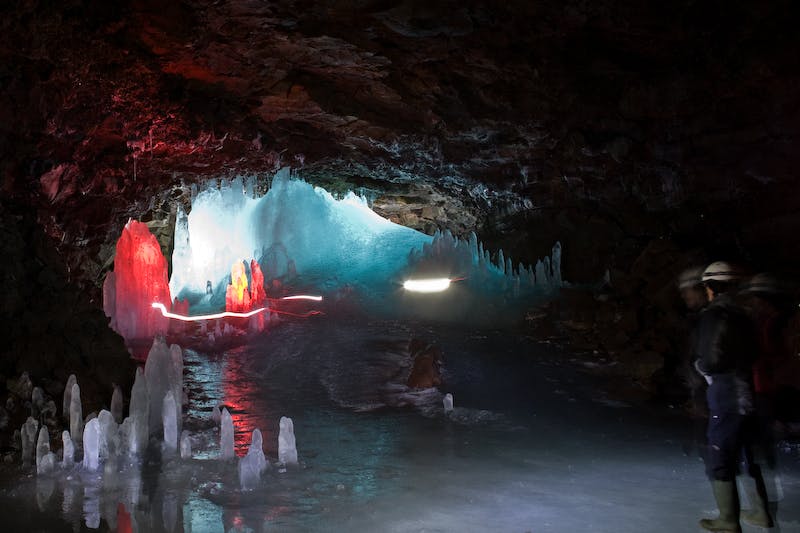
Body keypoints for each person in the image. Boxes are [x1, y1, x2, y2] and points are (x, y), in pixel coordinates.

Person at [693, 262, 773, 532]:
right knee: (747, 452)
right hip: (746, 389)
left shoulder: (713, 315)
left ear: (710, 288)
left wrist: (702, 368)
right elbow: (754, 353)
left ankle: (728, 520)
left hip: (725, 392)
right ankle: (761, 512)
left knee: (721, 453)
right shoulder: (744, 315)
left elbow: (711, 358)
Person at [677, 267, 710, 456]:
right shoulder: (698, 319)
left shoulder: (710, 318)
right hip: (700, 389)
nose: (682, 295)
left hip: (709, 390)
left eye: (686, 290)